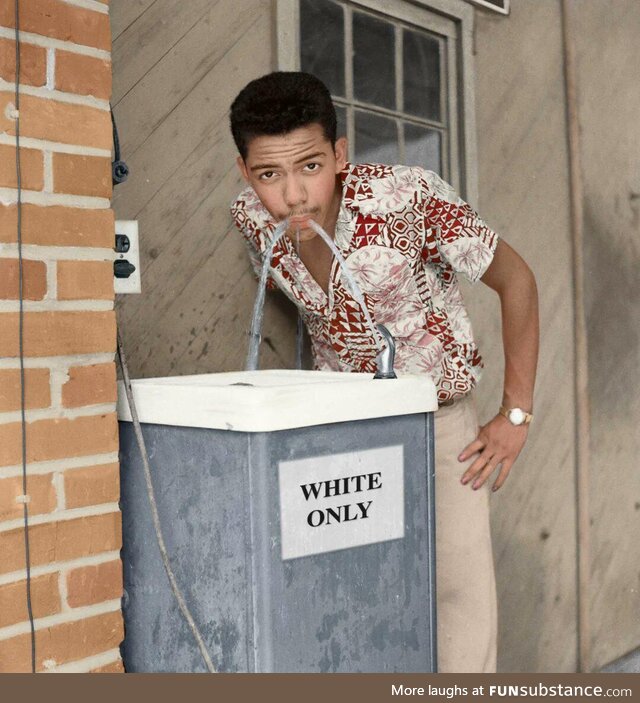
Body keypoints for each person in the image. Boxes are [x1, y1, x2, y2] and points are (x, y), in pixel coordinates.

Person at [228, 71, 539, 673]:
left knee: (457, 595)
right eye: (270, 174)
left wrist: (516, 413)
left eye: (310, 167)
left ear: (340, 155)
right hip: (340, 428)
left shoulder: (409, 196)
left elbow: (517, 280)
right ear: (246, 174)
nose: (294, 195)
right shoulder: (251, 218)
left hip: (440, 424)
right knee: (351, 589)